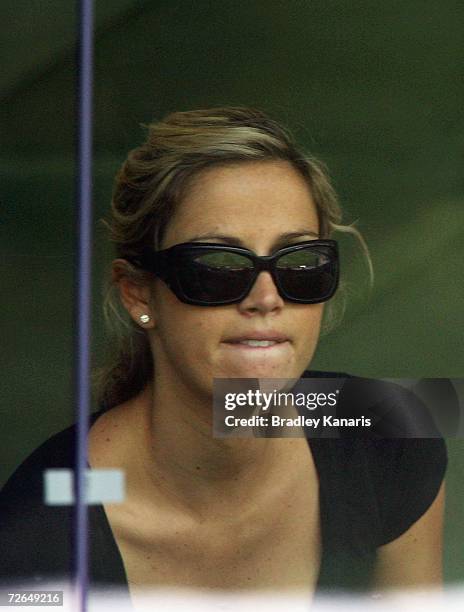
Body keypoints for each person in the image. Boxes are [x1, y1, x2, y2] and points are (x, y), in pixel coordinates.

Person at [0, 107, 447, 605]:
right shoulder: (36, 538)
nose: (266, 297)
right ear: (138, 294)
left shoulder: (391, 426)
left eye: (300, 263)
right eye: (216, 267)